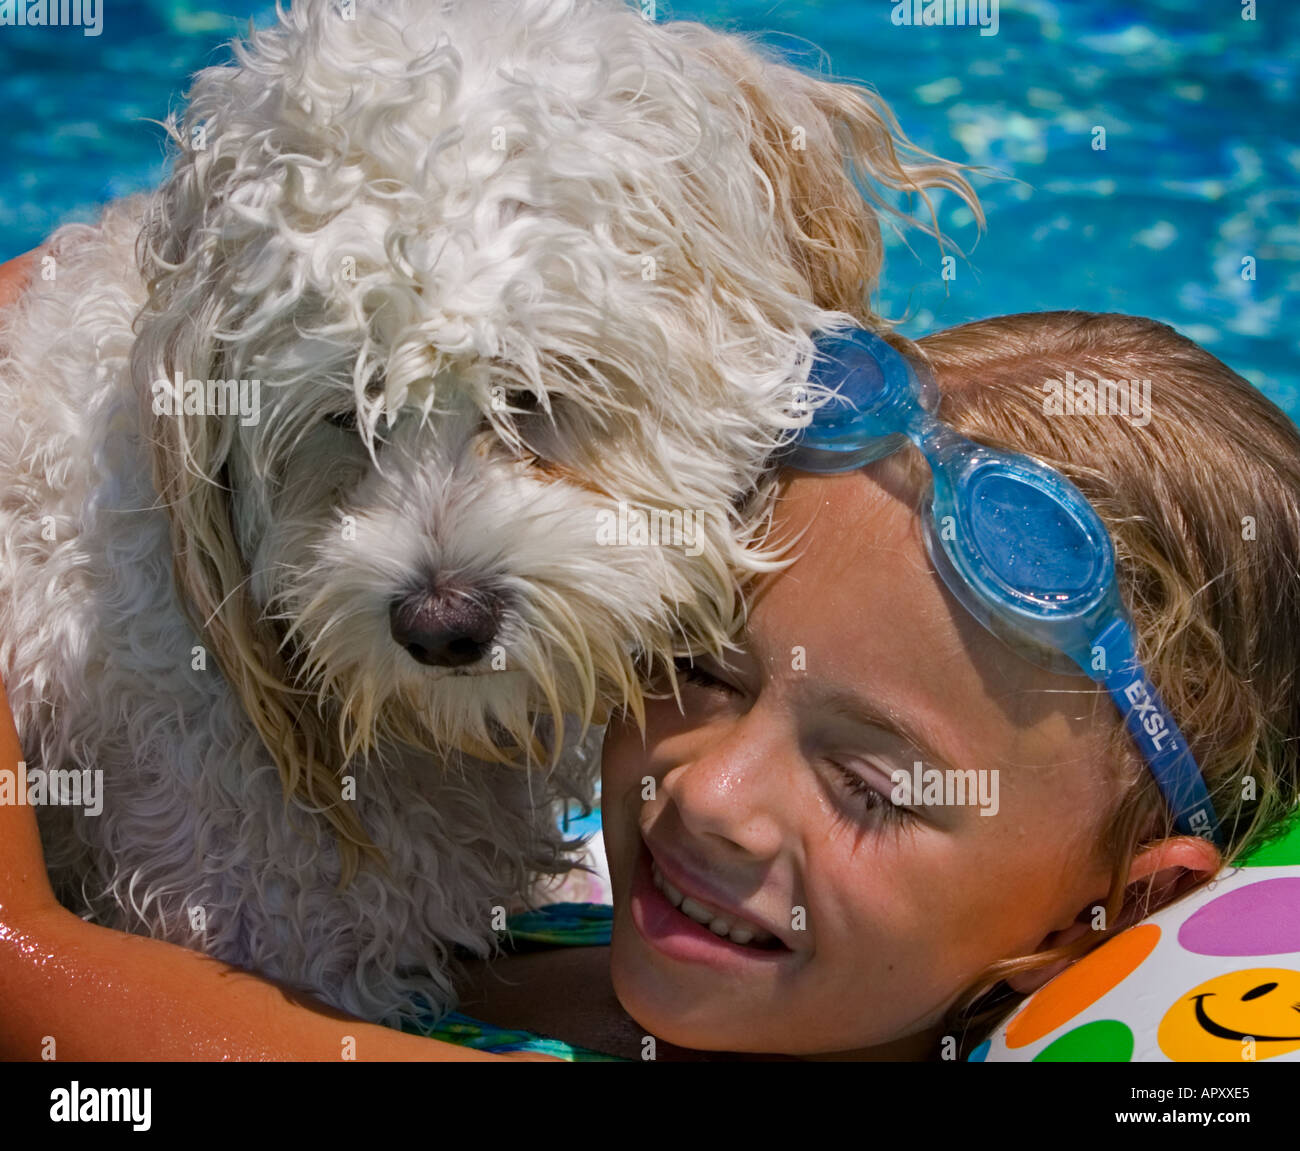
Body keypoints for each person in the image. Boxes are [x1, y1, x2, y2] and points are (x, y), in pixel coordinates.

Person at [2, 251, 1297, 1057]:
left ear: (1122, 914)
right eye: (700, 672)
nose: (710, 794)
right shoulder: (586, 926)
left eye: (871, 787)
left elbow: (35, 991)